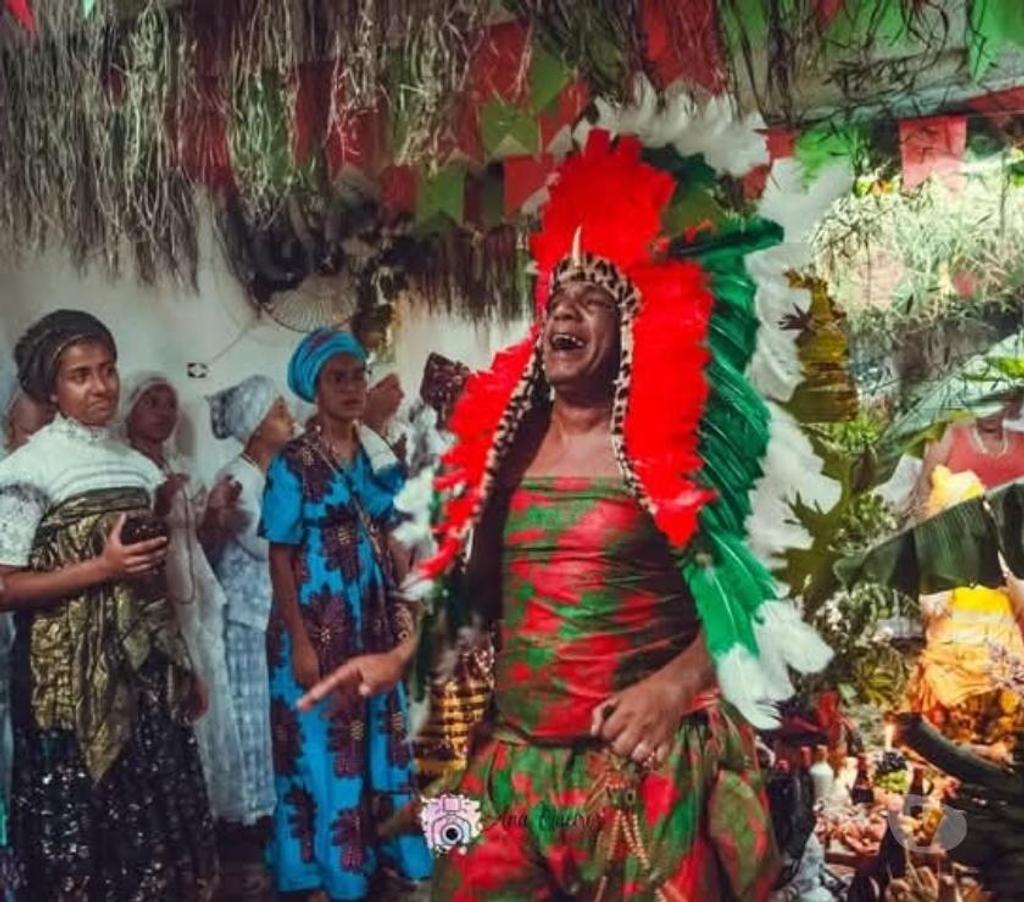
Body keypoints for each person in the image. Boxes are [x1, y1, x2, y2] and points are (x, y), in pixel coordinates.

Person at [304, 133, 831, 900]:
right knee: (448, 867)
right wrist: (399, 663)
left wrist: (675, 687)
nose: (565, 314)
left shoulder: (678, 449)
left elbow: (753, 607)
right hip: (507, 770)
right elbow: (476, 599)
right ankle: (428, 830)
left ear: (633, 328)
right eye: (557, 298)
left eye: (593, 301)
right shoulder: (506, 446)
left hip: (646, 783)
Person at [0, 309, 216, 898]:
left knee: (149, 825)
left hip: (144, 672)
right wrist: (102, 568)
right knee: (78, 827)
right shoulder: (28, 469)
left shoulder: (135, 465)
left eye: (108, 370)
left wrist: (185, 662)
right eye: (80, 375)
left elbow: (154, 580)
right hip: (63, 686)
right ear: (51, 386)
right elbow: (4, 587)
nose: (101, 387)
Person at [260, 329, 431, 900]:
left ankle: (387, 852)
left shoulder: (373, 457)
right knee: (323, 744)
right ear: (315, 387)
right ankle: (330, 871)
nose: (353, 387)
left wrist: (408, 599)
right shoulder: (293, 463)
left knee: (378, 737)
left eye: (358, 375)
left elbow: (396, 527)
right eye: (338, 378)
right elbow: (280, 557)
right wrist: (302, 643)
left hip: (371, 620)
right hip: (315, 619)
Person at [122, 373, 248, 825]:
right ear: (130, 411)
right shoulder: (123, 468)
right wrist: (159, 502)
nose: (163, 412)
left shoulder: (182, 464)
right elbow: (128, 539)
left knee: (208, 687)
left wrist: (214, 509)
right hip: (157, 594)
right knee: (175, 691)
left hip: (196, 588)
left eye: (168, 403)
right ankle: (177, 813)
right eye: (150, 403)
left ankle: (212, 807)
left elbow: (207, 544)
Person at [207, 375, 294, 831]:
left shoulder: (270, 473)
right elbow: (263, 545)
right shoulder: (237, 478)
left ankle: (269, 807)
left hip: (267, 612)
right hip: (245, 616)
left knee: (266, 713)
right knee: (249, 716)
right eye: (280, 412)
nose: (290, 419)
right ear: (257, 426)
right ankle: (250, 813)